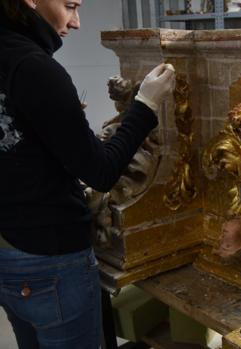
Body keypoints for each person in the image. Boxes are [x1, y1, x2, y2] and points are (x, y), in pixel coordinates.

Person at [0, 0, 176, 347]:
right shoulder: (34, 67)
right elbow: (101, 171)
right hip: (52, 260)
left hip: (8, 249)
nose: (76, 22)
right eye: (69, 6)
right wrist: (145, 106)